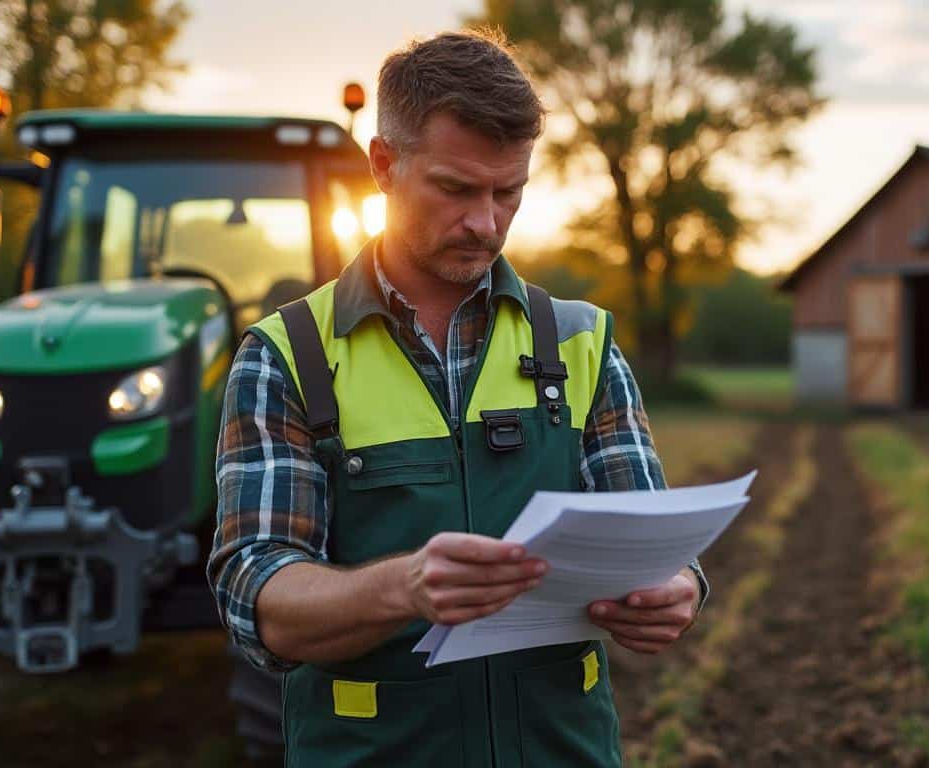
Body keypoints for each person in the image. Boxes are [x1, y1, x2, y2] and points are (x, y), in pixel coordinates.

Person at [207, 29, 708, 766]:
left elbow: (654, 540)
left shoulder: (582, 342)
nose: (486, 222)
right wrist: (406, 588)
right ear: (383, 164)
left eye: (510, 193)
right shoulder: (286, 357)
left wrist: (677, 587)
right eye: (456, 188)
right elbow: (260, 597)